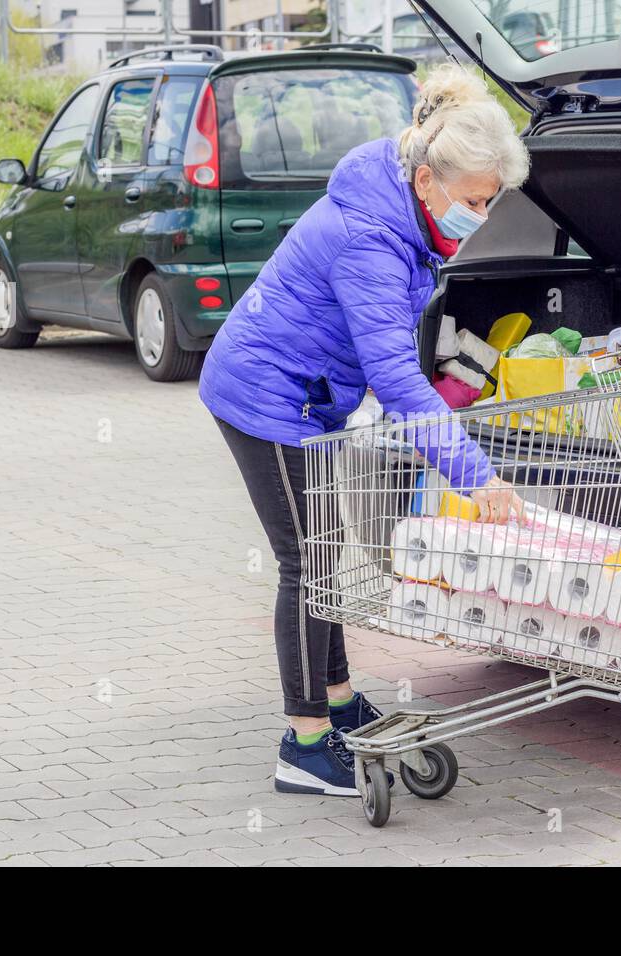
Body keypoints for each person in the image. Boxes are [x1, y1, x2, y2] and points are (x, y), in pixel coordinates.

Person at [199, 66, 530, 797]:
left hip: (307, 401)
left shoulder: (403, 209)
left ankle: (340, 703)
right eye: (475, 201)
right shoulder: (370, 240)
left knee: (326, 552)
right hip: (265, 397)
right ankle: (306, 744)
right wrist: (476, 476)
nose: (481, 213)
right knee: (307, 562)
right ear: (427, 183)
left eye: (489, 200)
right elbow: (398, 381)